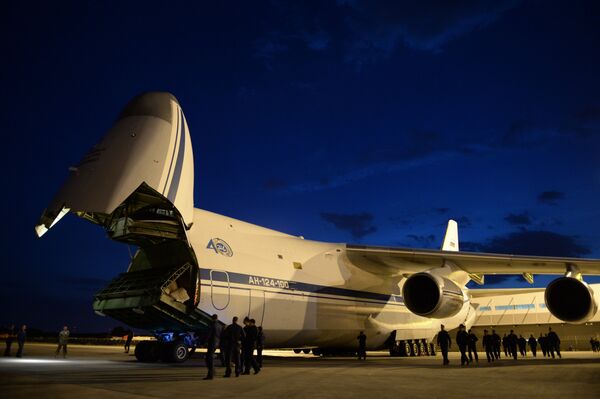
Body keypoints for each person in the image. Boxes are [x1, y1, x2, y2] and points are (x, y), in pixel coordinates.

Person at [204, 314, 222, 380]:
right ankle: (212, 372)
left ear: (212, 318)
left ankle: (211, 374)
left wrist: (205, 342)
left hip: (212, 343)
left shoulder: (212, 325)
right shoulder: (220, 325)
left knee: (208, 359)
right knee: (210, 357)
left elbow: (209, 334)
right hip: (217, 343)